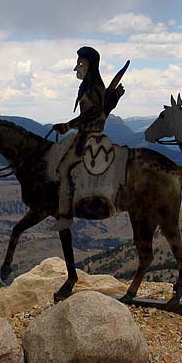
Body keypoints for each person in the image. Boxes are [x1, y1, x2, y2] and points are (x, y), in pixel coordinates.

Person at [52, 46, 124, 230]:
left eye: (80, 64)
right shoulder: (93, 86)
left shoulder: (93, 87)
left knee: (64, 168)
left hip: (87, 137)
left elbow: (93, 113)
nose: (77, 68)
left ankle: (65, 215)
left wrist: (67, 125)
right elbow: (102, 111)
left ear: (89, 65)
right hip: (86, 134)